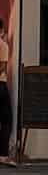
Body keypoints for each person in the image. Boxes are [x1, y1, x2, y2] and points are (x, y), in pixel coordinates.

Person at [0, 14, 13, 165]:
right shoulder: (2, 45)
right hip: (0, 85)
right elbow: (3, 66)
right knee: (6, 120)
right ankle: (2, 154)